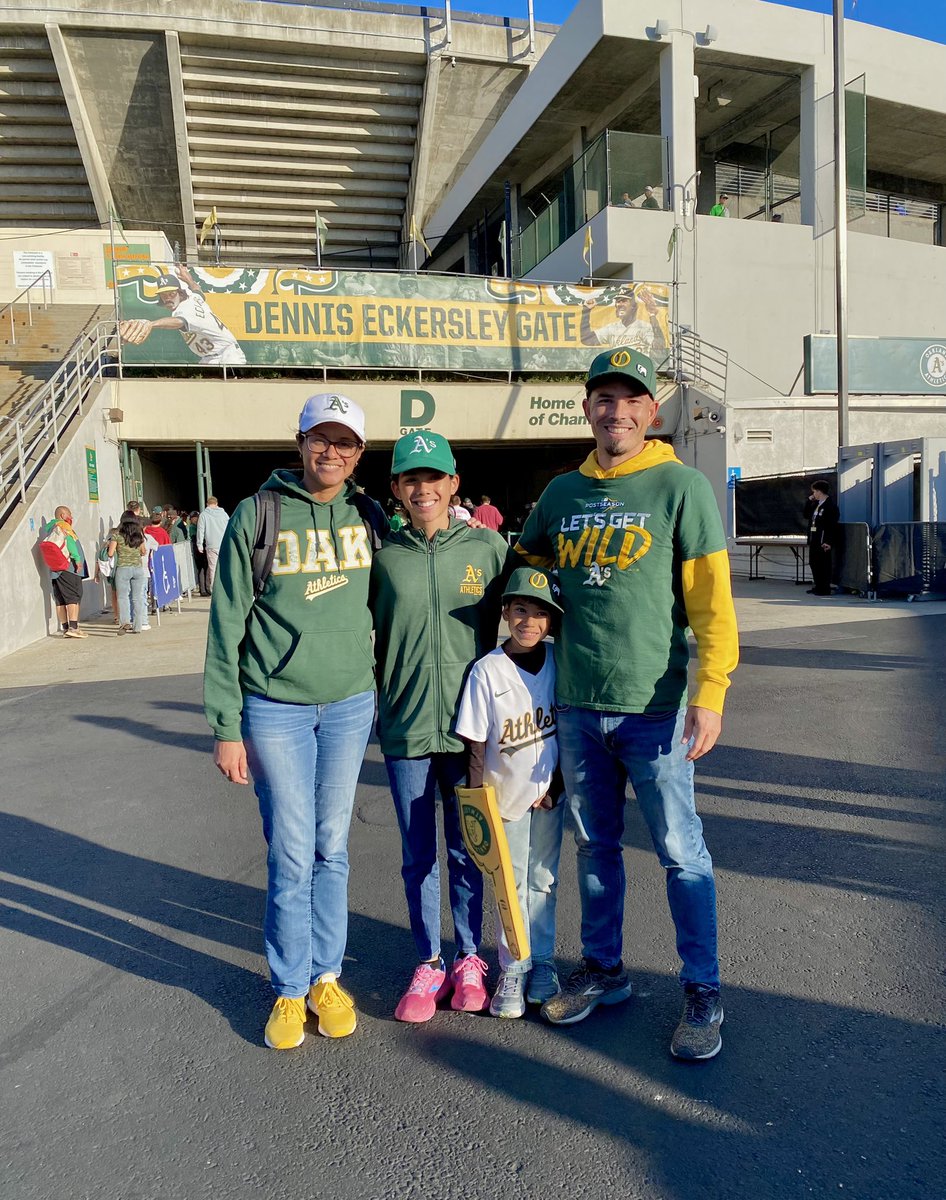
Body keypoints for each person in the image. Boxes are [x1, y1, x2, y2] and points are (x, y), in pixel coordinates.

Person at [513, 346, 739, 1061]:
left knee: (681, 853)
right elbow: (529, 577)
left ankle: (703, 990)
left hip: (659, 707)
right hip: (580, 706)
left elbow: (712, 604)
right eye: (603, 399)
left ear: (652, 411)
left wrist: (711, 691)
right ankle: (604, 971)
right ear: (586, 409)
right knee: (596, 849)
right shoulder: (559, 495)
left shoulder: (680, 487)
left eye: (630, 399)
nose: (616, 411)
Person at [204, 392, 383, 1050]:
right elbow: (226, 626)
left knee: (331, 847)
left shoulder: (369, 515)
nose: (331, 452)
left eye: (345, 443)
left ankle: (326, 977)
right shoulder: (259, 514)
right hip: (275, 705)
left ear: (360, 454)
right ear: (299, 441)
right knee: (290, 849)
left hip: (348, 703)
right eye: (320, 438)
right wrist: (226, 725)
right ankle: (288, 986)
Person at [370, 432, 507, 1023]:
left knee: (468, 848)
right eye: (410, 479)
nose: (422, 489)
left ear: (453, 484)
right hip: (404, 725)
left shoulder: (487, 549)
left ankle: (470, 957)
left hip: (469, 730)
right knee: (417, 853)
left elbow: (530, 620)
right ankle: (428, 961)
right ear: (397, 489)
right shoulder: (382, 555)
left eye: (434, 478)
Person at [455, 566, 566, 1018]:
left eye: (540, 614)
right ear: (504, 613)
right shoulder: (487, 669)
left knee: (543, 880)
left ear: (551, 621)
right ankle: (513, 966)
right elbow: (476, 743)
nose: (529, 622)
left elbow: (567, 727)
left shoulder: (557, 661)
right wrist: (479, 802)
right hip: (504, 799)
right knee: (510, 885)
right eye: (520, 609)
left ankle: (541, 961)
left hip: (548, 795)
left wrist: (556, 786)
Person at [118, 268, 247, 366]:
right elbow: (198, 292)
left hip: (228, 354)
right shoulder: (193, 298)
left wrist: (151, 324)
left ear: (180, 293)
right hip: (210, 357)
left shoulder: (186, 309)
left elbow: (178, 322)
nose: (168, 297)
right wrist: (190, 280)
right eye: (164, 294)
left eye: (171, 293)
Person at [580, 286, 668, 358]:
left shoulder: (644, 326)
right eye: (618, 301)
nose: (620, 304)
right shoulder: (612, 328)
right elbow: (587, 340)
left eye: (624, 301)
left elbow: (659, 346)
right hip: (618, 368)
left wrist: (652, 315)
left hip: (638, 368)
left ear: (633, 306)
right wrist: (586, 311)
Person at [40, 506, 88, 638]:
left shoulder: (51, 528)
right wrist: (77, 560)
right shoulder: (64, 526)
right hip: (69, 568)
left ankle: (65, 627)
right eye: (69, 515)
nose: (71, 518)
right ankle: (73, 627)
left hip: (55, 569)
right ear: (62, 515)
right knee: (73, 597)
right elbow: (71, 544)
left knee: (60, 599)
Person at [108, 514, 150, 634]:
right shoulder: (139, 536)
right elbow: (143, 551)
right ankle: (138, 626)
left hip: (123, 568)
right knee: (137, 598)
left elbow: (110, 553)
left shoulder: (116, 536)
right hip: (137, 569)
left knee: (122, 597)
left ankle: (125, 622)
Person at [806, 479, 839, 596]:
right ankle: (818, 585)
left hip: (823, 540)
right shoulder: (815, 504)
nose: (813, 494)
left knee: (823, 564)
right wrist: (808, 501)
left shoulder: (830, 506)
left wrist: (828, 541)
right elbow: (806, 514)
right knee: (813, 562)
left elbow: (832, 525)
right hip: (814, 538)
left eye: (814, 492)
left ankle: (825, 588)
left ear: (820, 491)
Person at [197, 496, 230, 592]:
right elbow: (229, 527)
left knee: (213, 568)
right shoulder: (224, 514)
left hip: (211, 545)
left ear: (207, 504)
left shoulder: (203, 515)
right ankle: (226, 588)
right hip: (224, 544)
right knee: (225, 566)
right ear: (216, 504)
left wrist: (199, 544)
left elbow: (201, 530)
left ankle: (214, 590)